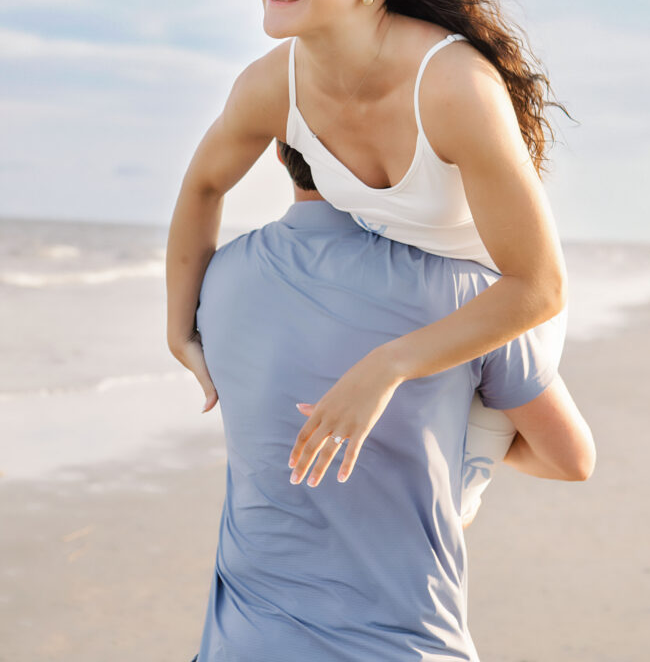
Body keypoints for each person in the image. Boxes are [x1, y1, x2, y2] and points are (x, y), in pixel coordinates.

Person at [167, 0, 568, 497]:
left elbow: (541, 287)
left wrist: (387, 366)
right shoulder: (272, 84)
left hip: (493, 310)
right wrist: (179, 325)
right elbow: (203, 188)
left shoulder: (453, 85)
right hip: (391, 290)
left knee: (460, 498)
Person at [189, 146, 594, 662]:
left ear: (278, 148)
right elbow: (570, 459)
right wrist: (452, 439)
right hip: (402, 646)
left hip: (241, 645)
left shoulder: (220, 277)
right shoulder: (470, 295)